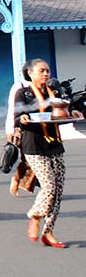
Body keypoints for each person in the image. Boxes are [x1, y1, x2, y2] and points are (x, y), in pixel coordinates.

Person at [14, 59, 84, 247]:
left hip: (54, 144)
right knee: (49, 186)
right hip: (34, 145)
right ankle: (35, 216)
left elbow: (63, 111)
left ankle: (48, 232)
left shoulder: (55, 91)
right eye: (41, 71)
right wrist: (23, 117)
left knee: (58, 190)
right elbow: (16, 118)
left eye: (47, 71)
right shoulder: (24, 93)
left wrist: (74, 113)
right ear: (30, 73)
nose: (46, 74)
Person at [5, 62, 38, 196]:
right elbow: (13, 110)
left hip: (40, 130)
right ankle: (17, 179)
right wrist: (10, 129)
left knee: (43, 159)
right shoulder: (19, 88)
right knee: (28, 159)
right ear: (29, 73)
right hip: (21, 129)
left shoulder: (42, 89)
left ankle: (47, 189)